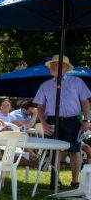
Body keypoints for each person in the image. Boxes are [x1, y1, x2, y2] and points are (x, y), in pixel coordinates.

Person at [34, 54, 91, 189]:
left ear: (65, 67)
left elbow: (85, 102)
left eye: (55, 64)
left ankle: (75, 181)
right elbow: (40, 106)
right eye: (51, 64)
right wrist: (43, 122)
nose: (52, 67)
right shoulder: (45, 85)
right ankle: (56, 179)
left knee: (75, 150)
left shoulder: (77, 82)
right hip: (53, 121)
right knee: (55, 150)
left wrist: (86, 120)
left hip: (72, 121)